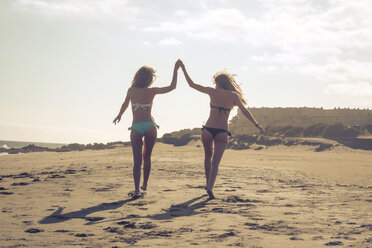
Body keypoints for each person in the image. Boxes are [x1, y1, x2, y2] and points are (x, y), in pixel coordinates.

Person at [179, 60, 264, 199]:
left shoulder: (212, 92)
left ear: (218, 82)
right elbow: (245, 111)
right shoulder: (233, 96)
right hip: (222, 132)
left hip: (208, 130)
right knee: (216, 162)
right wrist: (257, 125)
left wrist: (182, 69)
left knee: (207, 157)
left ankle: (207, 183)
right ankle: (210, 186)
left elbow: (192, 84)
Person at [113, 59, 182, 199]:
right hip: (150, 126)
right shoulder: (152, 91)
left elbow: (125, 104)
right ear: (150, 80)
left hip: (137, 127)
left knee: (137, 161)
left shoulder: (131, 90)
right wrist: (176, 69)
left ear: (137, 77)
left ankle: (137, 191)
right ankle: (145, 184)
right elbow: (172, 87)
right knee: (147, 157)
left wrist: (119, 115)